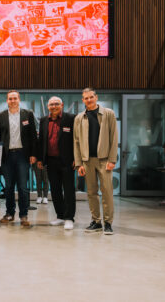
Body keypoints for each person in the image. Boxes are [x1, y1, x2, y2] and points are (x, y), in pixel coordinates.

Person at [0, 90, 37, 227]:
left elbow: (33, 135)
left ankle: (23, 215)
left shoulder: (28, 114)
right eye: (10, 99)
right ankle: (9, 213)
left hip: (23, 155)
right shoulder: (1, 115)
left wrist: (33, 154)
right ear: (7, 101)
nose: (13, 101)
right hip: (7, 155)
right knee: (9, 187)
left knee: (23, 187)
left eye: (15, 98)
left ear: (19, 99)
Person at [73, 87, 118, 235]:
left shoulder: (108, 114)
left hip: (104, 160)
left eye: (91, 97)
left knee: (107, 192)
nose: (89, 100)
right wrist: (79, 163)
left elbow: (114, 137)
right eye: (86, 98)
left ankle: (108, 223)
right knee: (91, 192)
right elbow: (76, 142)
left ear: (96, 97)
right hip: (87, 161)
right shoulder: (79, 118)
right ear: (83, 100)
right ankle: (96, 221)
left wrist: (112, 159)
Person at [37, 97, 76, 230]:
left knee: (69, 190)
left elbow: (76, 139)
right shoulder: (43, 120)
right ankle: (60, 216)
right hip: (50, 160)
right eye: (51, 104)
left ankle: (69, 218)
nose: (54, 106)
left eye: (56, 104)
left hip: (67, 161)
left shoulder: (70, 118)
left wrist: (77, 158)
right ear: (48, 106)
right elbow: (41, 140)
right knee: (55, 190)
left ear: (62, 105)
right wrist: (40, 159)